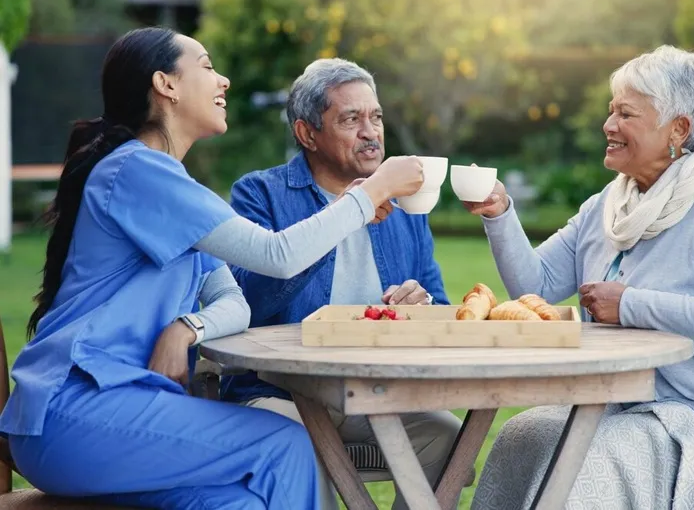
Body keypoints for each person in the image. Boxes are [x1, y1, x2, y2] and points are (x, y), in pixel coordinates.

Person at [0, 27, 424, 510]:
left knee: (240, 502)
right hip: (77, 411)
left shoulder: (176, 189)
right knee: (286, 444)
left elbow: (233, 301)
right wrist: (371, 193)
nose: (222, 81)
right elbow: (277, 254)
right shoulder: (137, 171)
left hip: (124, 412)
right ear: (166, 85)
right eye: (205, 66)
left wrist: (188, 326)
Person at [466, 45, 694, 496]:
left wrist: (630, 305)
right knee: (522, 438)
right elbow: (535, 286)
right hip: (633, 405)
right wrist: (499, 213)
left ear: (677, 129)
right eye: (611, 111)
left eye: (626, 113)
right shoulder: (612, 204)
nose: (608, 125)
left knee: (589, 463)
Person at [221, 58, 465, 510]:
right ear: (307, 133)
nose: (371, 132)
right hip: (280, 393)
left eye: (376, 117)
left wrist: (423, 303)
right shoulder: (260, 194)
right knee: (295, 449)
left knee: (448, 438)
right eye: (351, 119)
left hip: (375, 393)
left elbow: (442, 307)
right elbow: (247, 302)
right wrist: (347, 215)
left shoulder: (406, 206)